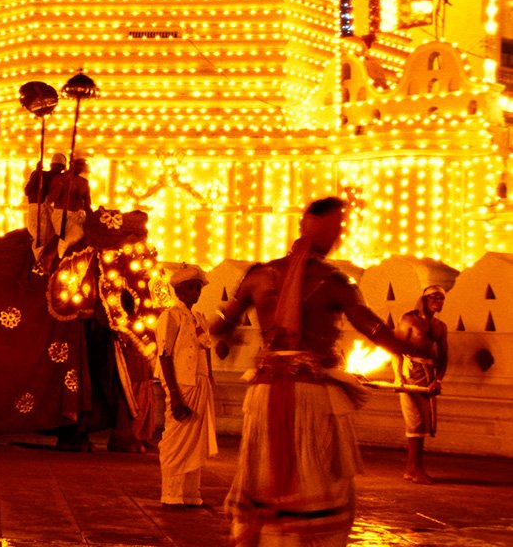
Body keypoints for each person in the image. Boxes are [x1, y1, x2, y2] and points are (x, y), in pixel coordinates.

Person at [211, 197, 412, 546]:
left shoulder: (258, 276)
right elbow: (371, 327)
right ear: (310, 224)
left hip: (265, 392)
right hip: (312, 396)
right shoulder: (334, 281)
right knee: (320, 486)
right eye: (334, 227)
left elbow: (221, 325)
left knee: (267, 482)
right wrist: (409, 346)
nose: (338, 235)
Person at [155, 265, 217, 508]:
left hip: (200, 384)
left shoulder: (199, 318)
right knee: (176, 440)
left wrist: (210, 379)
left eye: (199, 287)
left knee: (194, 443)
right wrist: (174, 394)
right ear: (179, 290)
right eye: (192, 287)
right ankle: (172, 494)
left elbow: (207, 349)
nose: (197, 292)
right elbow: (164, 355)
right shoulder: (170, 316)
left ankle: (190, 494)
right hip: (182, 384)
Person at [391, 285, 449, 484]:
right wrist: (398, 376)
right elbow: (396, 349)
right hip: (410, 374)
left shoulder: (440, 326)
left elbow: (443, 356)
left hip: (428, 376)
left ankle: (412, 469)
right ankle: (415, 469)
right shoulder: (409, 319)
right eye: (434, 298)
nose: (438, 302)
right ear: (424, 299)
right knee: (415, 422)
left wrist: (437, 379)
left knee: (423, 424)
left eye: (441, 299)